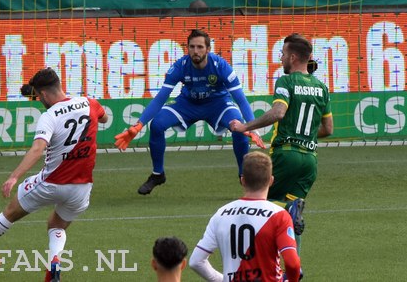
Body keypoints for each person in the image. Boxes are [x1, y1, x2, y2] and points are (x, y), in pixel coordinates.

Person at [0, 67, 108, 282]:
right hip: (82, 188)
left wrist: (14, 176)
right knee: (56, 225)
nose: (39, 100)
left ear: (45, 94)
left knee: (10, 213)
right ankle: (54, 263)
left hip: (51, 184)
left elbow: (38, 148)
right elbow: (103, 119)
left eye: (38, 97)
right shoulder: (90, 103)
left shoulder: (49, 116)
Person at [114, 29, 264, 195]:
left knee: (240, 129)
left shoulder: (221, 66)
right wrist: (139, 124)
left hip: (218, 104)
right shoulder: (180, 66)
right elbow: (160, 98)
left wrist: (252, 128)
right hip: (188, 104)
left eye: (200, 47)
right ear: (187, 48)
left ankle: (243, 176)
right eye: (192, 47)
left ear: (208, 49)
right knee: (157, 124)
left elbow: (241, 100)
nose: (195, 51)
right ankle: (158, 174)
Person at [229, 33, 333, 251]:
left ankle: (258, 263)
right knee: (291, 215)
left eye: (283, 54)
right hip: (310, 160)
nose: (281, 58)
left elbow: (278, 113)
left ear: (293, 57)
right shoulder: (322, 88)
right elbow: (328, 129)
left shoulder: (286, 81)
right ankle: (293, 268)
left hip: (285, 155)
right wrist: (304, 135)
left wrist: (244, 127)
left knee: (259, 206)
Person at [189, 151, 302, 282]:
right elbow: (293, 264)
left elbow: (196, 261)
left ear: (242, 180)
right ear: (271, 180)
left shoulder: (220, 213)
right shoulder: (279, 215)